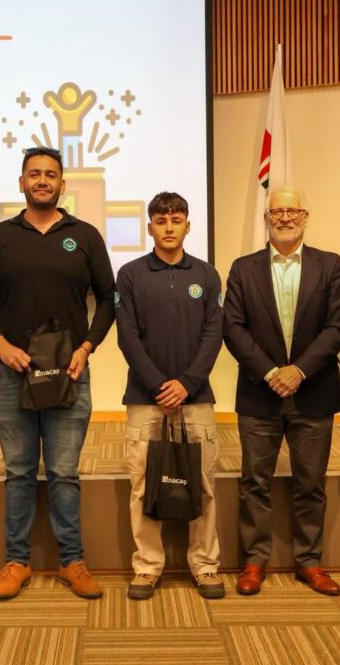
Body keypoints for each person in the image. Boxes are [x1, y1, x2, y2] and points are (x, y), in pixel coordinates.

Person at [0, 147, 116, 600]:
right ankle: (16, 562)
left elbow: (109, 300)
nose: (42, 180)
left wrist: (87, 347)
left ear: (62, 184)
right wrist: (0, 343)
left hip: (68, 371)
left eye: (51, 174)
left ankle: (73, 561)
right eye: (34, 174)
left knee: (65, 471)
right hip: (12, 371)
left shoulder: (86, 235)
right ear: (21, 183)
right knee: (18, 471)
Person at [223, 186, 340, 597]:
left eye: (293, 210)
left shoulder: (330, 265)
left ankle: (309, 561)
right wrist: (271, 371)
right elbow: (233, 328)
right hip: (260, 392)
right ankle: (255, 560)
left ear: (305, 216)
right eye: (278, 211)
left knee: (310, 483)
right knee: (253, 482)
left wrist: (299, 371)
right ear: (266, 218)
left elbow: (337, 327)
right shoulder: (243, 268)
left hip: (313, 391)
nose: (286, 217)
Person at [116, 192, 225, 600]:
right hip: (146, 400)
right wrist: (161, 386)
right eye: (160, 220)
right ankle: (147, 567)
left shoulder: (207, 275)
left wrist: (187, 384)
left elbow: (214, 334)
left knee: (203, 484)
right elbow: (127, 336)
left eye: (176, 219)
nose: (168, 226)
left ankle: (205, 565)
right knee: (143, 486)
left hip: (196, 399)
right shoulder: (129, 274)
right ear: (149, 227)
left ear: (188, 226)